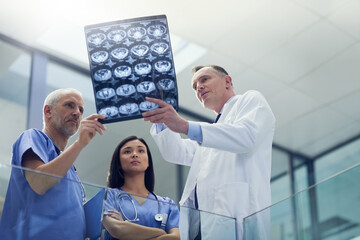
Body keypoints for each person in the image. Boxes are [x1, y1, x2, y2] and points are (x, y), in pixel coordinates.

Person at [142, 65, 276, 239]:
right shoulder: (212, 133)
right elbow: (176, 152)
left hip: (239, 221)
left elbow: (247, 136)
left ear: (227, 81)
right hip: (203, 227)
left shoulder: (250, 100)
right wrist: (161, 119)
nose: (199, 87)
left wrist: (186, 126)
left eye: (204, 79)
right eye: (195, 86)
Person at [0, 88, 106, 240]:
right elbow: (39, 182)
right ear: (48, 111)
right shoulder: (33, 137)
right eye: (69, 105)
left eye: (81, 109)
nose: (77, 113)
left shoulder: (69, 169)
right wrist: (80, 144)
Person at [102, 135, 180, 240]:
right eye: (127, 152)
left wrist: (128, 227)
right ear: (118, 163)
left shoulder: (167, 204)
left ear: (148, 162)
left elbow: (177, 237)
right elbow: (117, 229)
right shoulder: (108, 195)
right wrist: (161, 232)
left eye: (141, 151)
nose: (134, 154)